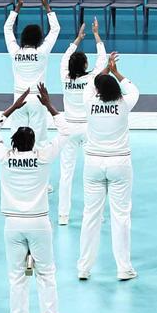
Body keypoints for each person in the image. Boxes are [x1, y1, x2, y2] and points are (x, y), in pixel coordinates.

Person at [0, 84, 67, 313]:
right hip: (39, 223)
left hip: (12, 224)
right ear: (34, 142)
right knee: (47, 275)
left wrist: (12, 108)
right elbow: (65, 131)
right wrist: (49, 106)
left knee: (17, 279)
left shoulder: (5, 157)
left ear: (13, 142)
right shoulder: (43, 155)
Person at [77, 30, 140, 281]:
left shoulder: (89, 101)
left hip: (93, 163)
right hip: (119, 164)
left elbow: (92, 84)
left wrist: (104, 69)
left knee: (90, 216)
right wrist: (115, 71)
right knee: (121, 216)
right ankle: (123, 268)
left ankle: (84, 267)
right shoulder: (125, 103)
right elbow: (132, 88)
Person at [57, 36, 99, 224]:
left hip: (68, 129)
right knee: (91, 173)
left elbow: (64, 58)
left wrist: (77, 40)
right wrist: (96, 36)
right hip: (87, 128)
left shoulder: (65, 78)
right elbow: (103, 60)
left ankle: (63, 215)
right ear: (84, 66)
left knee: (66, 174)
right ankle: (94, 214)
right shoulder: (91, 80)